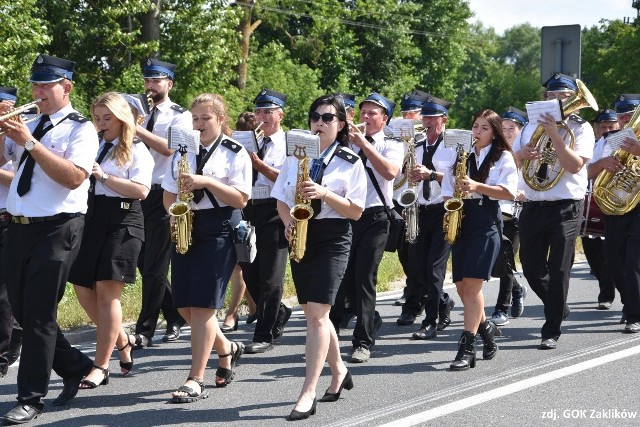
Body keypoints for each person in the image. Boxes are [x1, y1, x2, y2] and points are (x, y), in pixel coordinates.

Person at [0, 54, 97, 424]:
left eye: (45, 85)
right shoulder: (29, 123)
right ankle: (73, 365)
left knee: (39, 313)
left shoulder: (80, 129)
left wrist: (29, 143)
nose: (37, 92)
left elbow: (74, 178)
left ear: (66, 87)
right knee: (24, 313)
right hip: (19, 226)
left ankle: (30, 398)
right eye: (35, 85)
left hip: (59, 227)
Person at [272, 94, 367, 420]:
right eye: (315, 116)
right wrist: (287, 222)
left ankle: (307, 391)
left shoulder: (349, 161)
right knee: (316, 313)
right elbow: (281, 199)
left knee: (316, 315)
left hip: (333, 237)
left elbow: (356, 211)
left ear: (341, 124)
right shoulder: (294, 155)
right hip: (301, 234)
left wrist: (325, 193)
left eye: (328, 118)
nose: (319, 123)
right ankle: (339, 371)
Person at [162, 93, 251, 402]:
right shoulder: (182, 151)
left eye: (206, 119)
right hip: (186, 225)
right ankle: (226, 348)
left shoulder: (234, 151)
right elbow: (167, 191)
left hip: (220, 228)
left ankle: (194, 378)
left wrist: (205, 181)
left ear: (220, 120)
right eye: (195, 119)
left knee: (203, 307)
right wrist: (173, 213)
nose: (199, 124)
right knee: (184, 305)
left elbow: (240, 199)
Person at [67, 92, 153, 387]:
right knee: (80, 285)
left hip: (124, 220)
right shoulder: (94, 145)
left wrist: (103, 176)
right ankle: (122, 339)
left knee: (107, 290)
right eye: (97, 118)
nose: (101, 124)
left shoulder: (137, 149)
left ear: (121, 119)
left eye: (107, 118)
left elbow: (141, 191)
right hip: (93, 218)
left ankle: (100, 366)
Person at [513, 73, 595, 350]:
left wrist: (554, 136)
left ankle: (551, 329)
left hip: (565, 206)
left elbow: (574, 166)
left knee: (559, 268)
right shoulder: (527, 127)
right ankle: (557, 305)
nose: (556, 99)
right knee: (531, 266)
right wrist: (523, 153)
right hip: (534, 204)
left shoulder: (581, 128)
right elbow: (513, 159)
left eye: (563, 96)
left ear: (572, 99)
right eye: (551, 95)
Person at [442, 109, 518, 370]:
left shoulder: (503, 157)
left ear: (495, 132)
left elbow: (507, 191)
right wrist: (451, 201)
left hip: (486, 221)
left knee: (473, 287)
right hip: (462, 219)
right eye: (475, 126)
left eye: (484, 128)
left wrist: (476, 187)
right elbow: (446, 189)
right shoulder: (461, 154)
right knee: (462, 287)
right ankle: (486, 329)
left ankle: (466, 348)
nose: (477, 132)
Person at [330, 92, 402, 364]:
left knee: (364, 279)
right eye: (363, 113)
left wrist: (363, 144)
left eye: (372, 113)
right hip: (347, 214)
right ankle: (333, 335)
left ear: (384, 119)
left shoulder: (391, 144)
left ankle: (362, 341)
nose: (365, 118)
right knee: (342, 280)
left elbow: (390, 173)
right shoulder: (346, 143)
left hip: (375, 217)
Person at [133, 58, 190, 348]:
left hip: (163, 191)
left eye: (156, 80)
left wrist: (135, 128)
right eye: (147, 80)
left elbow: (171, 149)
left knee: (155, 263)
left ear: (169, 83)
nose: (150, 86)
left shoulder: (181, 115)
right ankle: (176, 314)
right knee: (143, 261)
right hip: (137, 190)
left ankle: (144, 329)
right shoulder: (139, 113)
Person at [399, 94, 456, 341]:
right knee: (418, 269)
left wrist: (432, 175)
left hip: (442, 211)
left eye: (433, 117)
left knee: (434, 269)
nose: (428, 121)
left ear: (443, 119)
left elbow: (457, 181)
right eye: (425, 117)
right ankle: (443, 302)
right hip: (419, 211)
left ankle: (430, 321)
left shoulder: (453, 146)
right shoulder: (418, 145)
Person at [239, 89, 292, 354]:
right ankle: (278, 310)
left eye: (268, 112)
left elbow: (285, 180)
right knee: (249, 271)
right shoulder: (247, 141)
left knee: (271, 276)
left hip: (274, 208)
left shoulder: (288, 143)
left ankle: (264, 334)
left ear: (280, 115)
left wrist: (257, 164)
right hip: (248, 208)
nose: (262, 117)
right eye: (259, 112)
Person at [587, 100, 640, 332]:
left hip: (638, 207)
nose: (625, 120)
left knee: (633, 261)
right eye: (622, 116)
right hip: (614, 207)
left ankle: (633, 314)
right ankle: (631, 302)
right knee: (614, 261)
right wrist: (602, 164)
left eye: (630, 115)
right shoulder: (607, 141)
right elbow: (587, 173)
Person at [490, 106, 528, 326]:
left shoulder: (529, 151)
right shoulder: (495, 153)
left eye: (511, 128)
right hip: (495, 211)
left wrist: (524, 192)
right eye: (502, 128)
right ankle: (517, 289)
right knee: (496, 261)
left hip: (516, 213)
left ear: (521, 130)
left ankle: (500, 309)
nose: (506, 132)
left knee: (505, 258)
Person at [392, 89, 429, 307]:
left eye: (413, 112)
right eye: (405, 113)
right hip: (400, 195)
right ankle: (412, 285)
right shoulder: (396, 135)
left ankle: (419, 291)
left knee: (415, 248)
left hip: (421, 198)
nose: (407, 117)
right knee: (403, 248)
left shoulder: (427, 138)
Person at [583, 108, 620, 310]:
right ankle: (605, 286)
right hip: (592, 203)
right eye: (603, 126)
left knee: (613, 252)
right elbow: (584, 172)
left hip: (618, 203)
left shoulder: (622, 144)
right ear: (596, 129)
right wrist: (600, 164)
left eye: (611, 126)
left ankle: (609, 292)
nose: (607, 130)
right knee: (592, 252)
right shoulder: (590, 147)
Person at [0, 87, 21, 378]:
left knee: (3, 293)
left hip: (7, 218)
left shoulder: (19, 135)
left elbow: (22, 177)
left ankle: (2, 356)